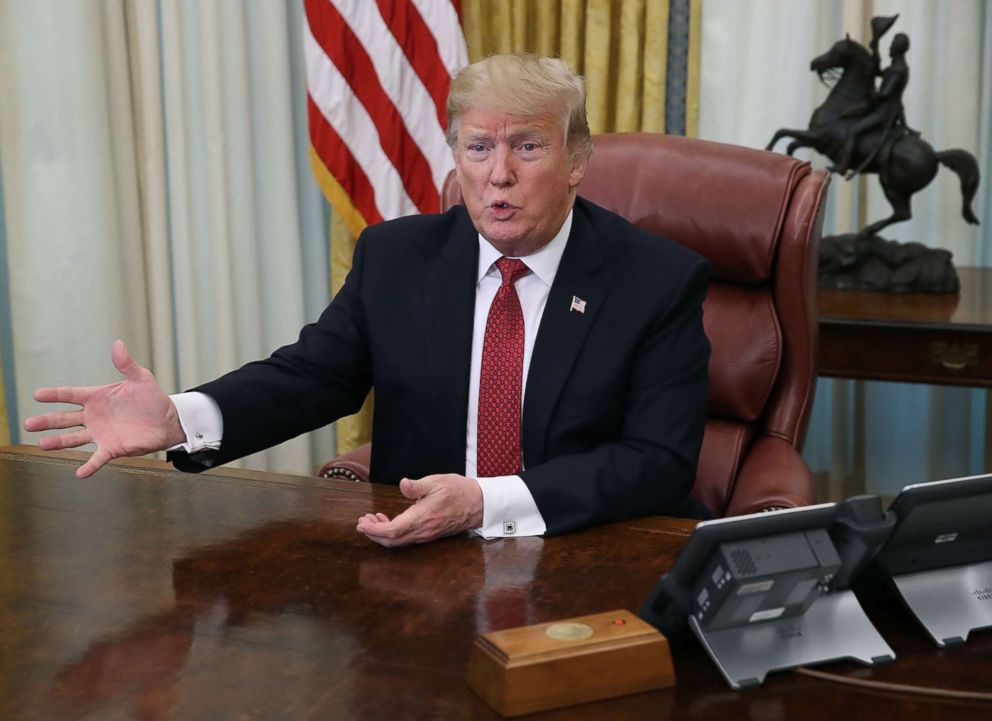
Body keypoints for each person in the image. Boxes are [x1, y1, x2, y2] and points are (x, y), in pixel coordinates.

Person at [24, 53, 710, 547]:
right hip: (414, 555)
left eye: (527, 147)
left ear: (578, 160)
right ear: (455, 156)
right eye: (478, 148)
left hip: (583, 550)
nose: (499, 174)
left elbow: (657, 461)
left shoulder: (655, 280)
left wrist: (483, 501)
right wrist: (180, 417)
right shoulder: (397, 257)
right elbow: (311, 377)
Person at [834, 32, 916, 177]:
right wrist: (876, 47)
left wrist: (870, 96)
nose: (890, 48)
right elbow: (877, 72)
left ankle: (843, 165)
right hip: (884, 108)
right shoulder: (896, 66)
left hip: (885, 112)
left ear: (897, 48)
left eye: (892, 45)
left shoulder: (898, 69)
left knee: (853, 132)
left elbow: (885, 93)